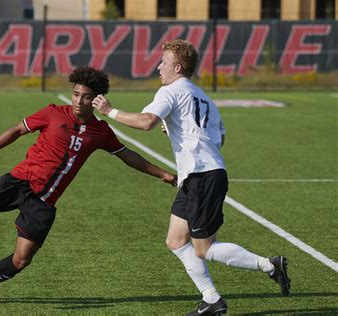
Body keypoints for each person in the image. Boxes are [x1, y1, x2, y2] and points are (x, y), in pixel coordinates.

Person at [0, 66, 177, 307]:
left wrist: (164, 174)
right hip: (18, 181)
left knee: (22, 260)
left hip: (44, 201)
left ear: (98, 99)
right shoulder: (53, 113)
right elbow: (16, 131)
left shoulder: (101, 132)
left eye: (86, 96)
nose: (80, 100)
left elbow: (128, 156)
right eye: (76, 94)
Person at [92, 39, 291, 315]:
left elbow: (146, 122)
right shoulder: (203, 97)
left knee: (203, 248)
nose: (158, 66)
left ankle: (269, 265)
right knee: (175, 240)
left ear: (177, 67)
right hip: (201, 174)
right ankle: (211, 299)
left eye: (163, 62)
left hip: (202, 175)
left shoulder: (169, 91)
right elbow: (219, 137)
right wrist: (177, 127)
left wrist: (109, 111)